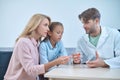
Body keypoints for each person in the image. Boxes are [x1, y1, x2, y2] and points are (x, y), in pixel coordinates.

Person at [4, 14, 70, 80]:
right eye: (45, 25)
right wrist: (56, 62)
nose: (48, 29)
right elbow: (31, 70)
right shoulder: (23, 42)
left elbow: (39, 68)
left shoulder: (37, 43)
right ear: (35, 26)